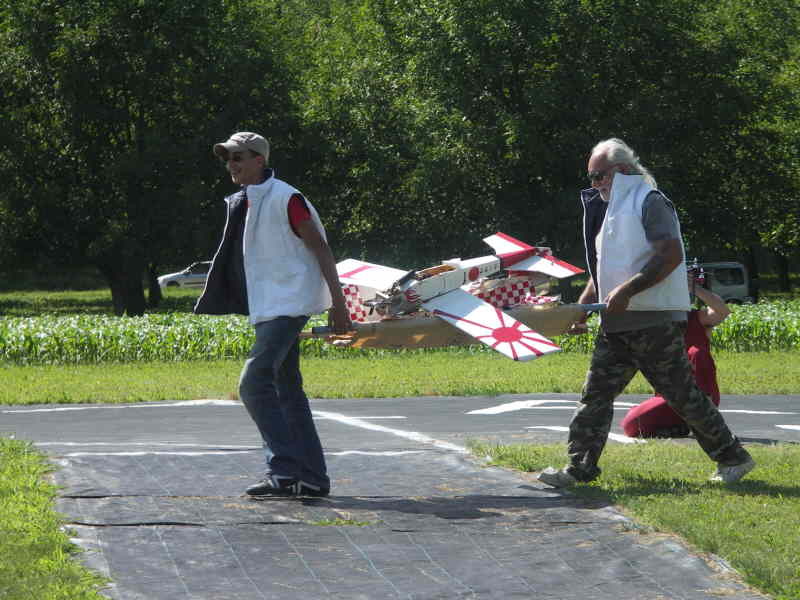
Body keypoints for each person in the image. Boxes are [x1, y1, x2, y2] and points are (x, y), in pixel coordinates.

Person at [538, 138, 755, 487]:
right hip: (617, 324)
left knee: (682, 396)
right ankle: (579, 469)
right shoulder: (611, 209)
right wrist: (582, 308)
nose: (594, 184)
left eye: (598, 175)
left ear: (621, 171)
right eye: (591, 177)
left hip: (653, 322)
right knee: (595, 396)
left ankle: (733, 458)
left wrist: (627, 292)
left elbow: (668, 256)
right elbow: (605, 270)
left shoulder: (649, 201)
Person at [195, 131, 351, 497]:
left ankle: (283, 466)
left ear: (259, 160)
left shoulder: (286, 197)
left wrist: (339, 305)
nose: (231, 164)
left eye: (239, 157)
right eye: (228, 158)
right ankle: (310, 478)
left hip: (290, 304)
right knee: (286, 392)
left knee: (252, 383)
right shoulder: (245, 201)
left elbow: (321, 248)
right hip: (270, 305)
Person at [620, 273, 730, 438]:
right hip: (669, 397)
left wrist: (694, 288)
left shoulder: (696, 318)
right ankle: (679, 426)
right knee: (633, 419)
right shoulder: (653, 324)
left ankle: (702, 416)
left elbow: (722, 311)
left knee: (631, 424)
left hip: (698, 396)